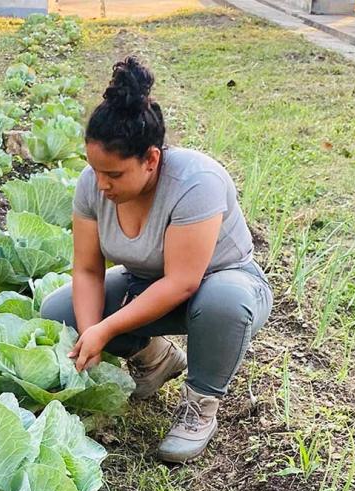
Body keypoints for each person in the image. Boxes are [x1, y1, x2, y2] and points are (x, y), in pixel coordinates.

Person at [40, 56, 273, 463]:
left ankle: (200, 405)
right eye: (95, 170)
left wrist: (107, 328)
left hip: (224, 283)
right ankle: (157, 359)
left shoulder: (195, 182)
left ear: (151, 159)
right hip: (145, 285)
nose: (101, 184)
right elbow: (88, 269)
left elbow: (183, 282)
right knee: (59, 310)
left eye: (114, 175)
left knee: (223, 301)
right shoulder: (93, 186)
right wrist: (92, 333)